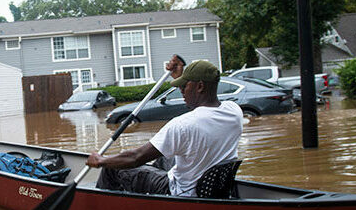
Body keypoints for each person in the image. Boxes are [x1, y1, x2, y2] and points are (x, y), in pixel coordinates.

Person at [86, 56, 243, 197]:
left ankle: (104, 203)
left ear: (200, 87)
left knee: (113, 166)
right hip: (211, 186)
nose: (181, 91)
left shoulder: (182, 125)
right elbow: (203, 113)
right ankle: (143, 189)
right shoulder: (234, 111)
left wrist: (101, 160)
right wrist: (182, 76)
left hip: (180, 191)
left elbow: (136, 157)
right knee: (163, 154)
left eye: (184, 86)